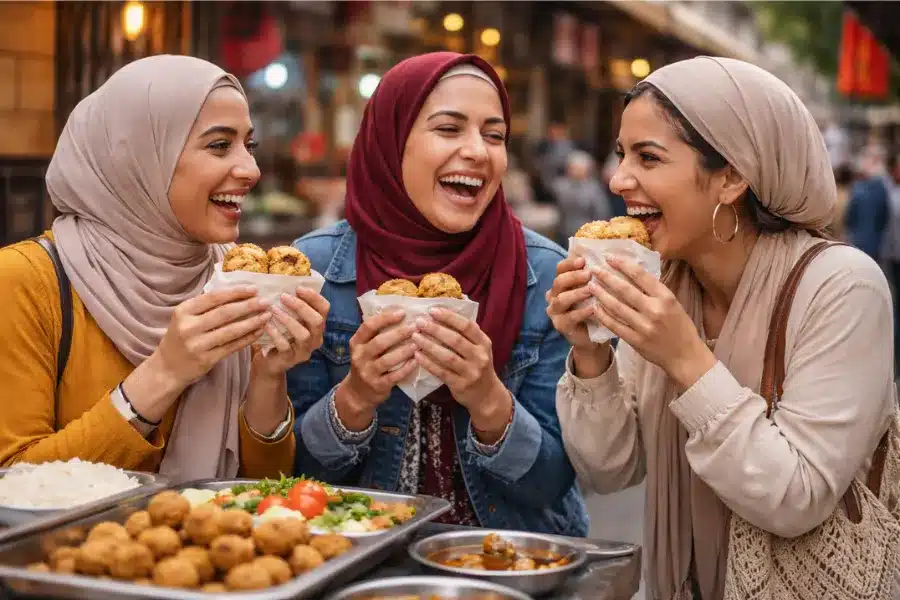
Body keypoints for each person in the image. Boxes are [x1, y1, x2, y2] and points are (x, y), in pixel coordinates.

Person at [548, 57, 894, 599]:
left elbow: (796, 498)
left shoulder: (843, 286)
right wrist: (590, 355)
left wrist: (685, 358)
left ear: (731, 176)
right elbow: (609, 472)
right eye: (621, 155)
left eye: (648, 157)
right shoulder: (663, 281)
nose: (617, 179)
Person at [287, 52, 588, 535]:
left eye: (494, 135)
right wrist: (356, 397)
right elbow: (292, 481)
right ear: (391, 141)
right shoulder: (316, 271)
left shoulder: (546, 276)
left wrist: (488, 399)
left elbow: (551, 483)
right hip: (357, 569)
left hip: (507, 568)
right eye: (449, 129)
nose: (477, 151)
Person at [0, 55, 329, 482]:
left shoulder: (230, 276)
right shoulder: (25, 280)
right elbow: (14, 485)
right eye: (218, 145)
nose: (251, 170)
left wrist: (268, 375)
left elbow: (262, 484)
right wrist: (165, 373)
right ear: (137, 156)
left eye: (249, 145)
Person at [552, 150, 613, 241]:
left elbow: (602, 212)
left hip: (588, 234)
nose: (575, 172)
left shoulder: (594, 188)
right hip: (563, 232)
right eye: (573, 168)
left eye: (579, 169)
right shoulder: (560, 186)